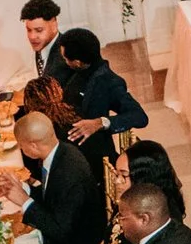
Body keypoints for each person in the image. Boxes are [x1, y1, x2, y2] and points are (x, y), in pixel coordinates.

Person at [10, 111, 103, 244]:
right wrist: (23, 189)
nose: (20, 148)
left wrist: (25, 201)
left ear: (33, 145)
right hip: (65, 232)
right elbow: (52, 198)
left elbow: (59, 230)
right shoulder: (62, 151)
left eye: (21, 145)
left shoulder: (69, 173)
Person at [50, 28, 150, 162]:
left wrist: (101, 122)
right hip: (65, 148)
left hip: (92, 157)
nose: (64, 61)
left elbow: (139, 117)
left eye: (66, 59)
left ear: (78, 62)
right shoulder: (73, 71)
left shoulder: (109, 82)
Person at [21, 0, 64, 82]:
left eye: (39, 30)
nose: (32, 37)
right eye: (29, 30)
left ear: (54, 26)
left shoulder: (66, 56)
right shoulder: (42, 45)